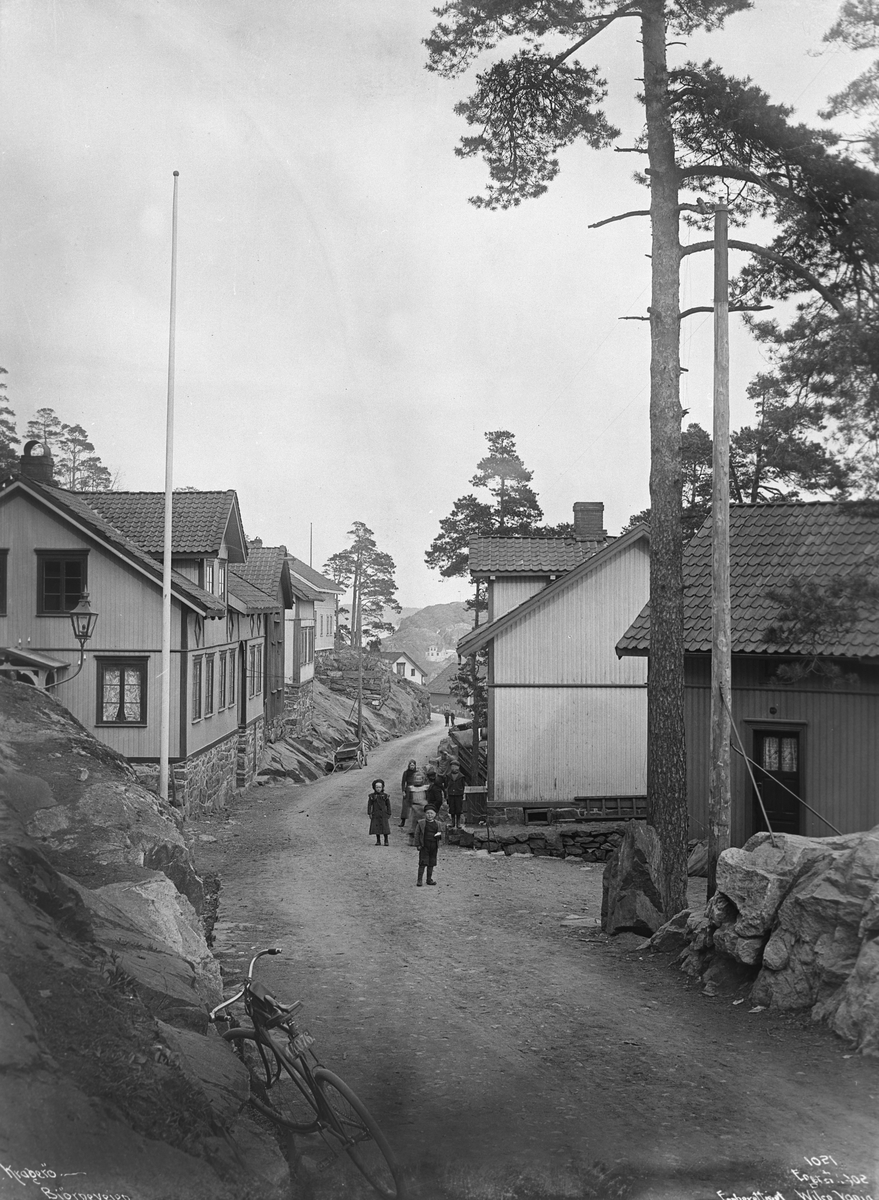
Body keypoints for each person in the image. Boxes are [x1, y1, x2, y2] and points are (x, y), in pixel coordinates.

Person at [414, 803, 443, 886]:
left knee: (431, 863)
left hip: (433, 846)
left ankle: (429, 879)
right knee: (422, 863)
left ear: (435, 814)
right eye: (428, 813)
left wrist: (439, 836)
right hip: (424, 846)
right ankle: (419, 880)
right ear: (425, 814)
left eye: (431, 813)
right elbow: (417, 834)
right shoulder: (421, 823)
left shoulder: (438, 824)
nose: (429, 815)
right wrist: (418, 844)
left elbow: (441, 834)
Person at [406, 769, 429, 844]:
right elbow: (408, 798)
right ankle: (411, 840)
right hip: (414, 807)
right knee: (413, 824)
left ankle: (422, 840)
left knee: (423, 824)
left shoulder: (425, 788)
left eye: (420, 779)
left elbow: (428, 797)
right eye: (416, 779)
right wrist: (410, 805)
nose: (418, 780)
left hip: (423, 807)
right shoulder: (411, 788)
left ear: (422, 779)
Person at [367, 780, 391, 846]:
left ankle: (386, 840)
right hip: (376, 813)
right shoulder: (372, 796)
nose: (378, 789)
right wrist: (369, 813)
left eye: (380, 787)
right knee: (376, 827)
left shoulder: (385, 796)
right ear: (374, 788)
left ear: (382, 787)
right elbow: (369, 805)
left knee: (385, 827)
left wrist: (389, 813)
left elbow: (388, 805)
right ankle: (378, 840)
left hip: (383, 814)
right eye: (377, 787)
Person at [446, 760, 466, 829]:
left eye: (456, 766)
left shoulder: (461, 776)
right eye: (452, 766)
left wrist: (462, 793)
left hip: (458, 795)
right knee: (452, 808)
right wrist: (447, 794)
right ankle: (453, 822)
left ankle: (458, 823)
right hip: (451, 794)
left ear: (458, 767)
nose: (454, 768)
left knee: (458, 809)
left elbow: (463, 786)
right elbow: (446, 785)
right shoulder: (448, 776)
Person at [400, 759, 418, 827]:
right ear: (409, 765)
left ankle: (415, 822)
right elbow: (403, 782)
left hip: (415, 790)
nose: (412, 767)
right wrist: (403, 791)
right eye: (411, 765)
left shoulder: (417, 773)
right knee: (405, 806)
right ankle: (403, 821)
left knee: (415, 805)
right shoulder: (406, 773)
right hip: (408, 790)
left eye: (413, 765)